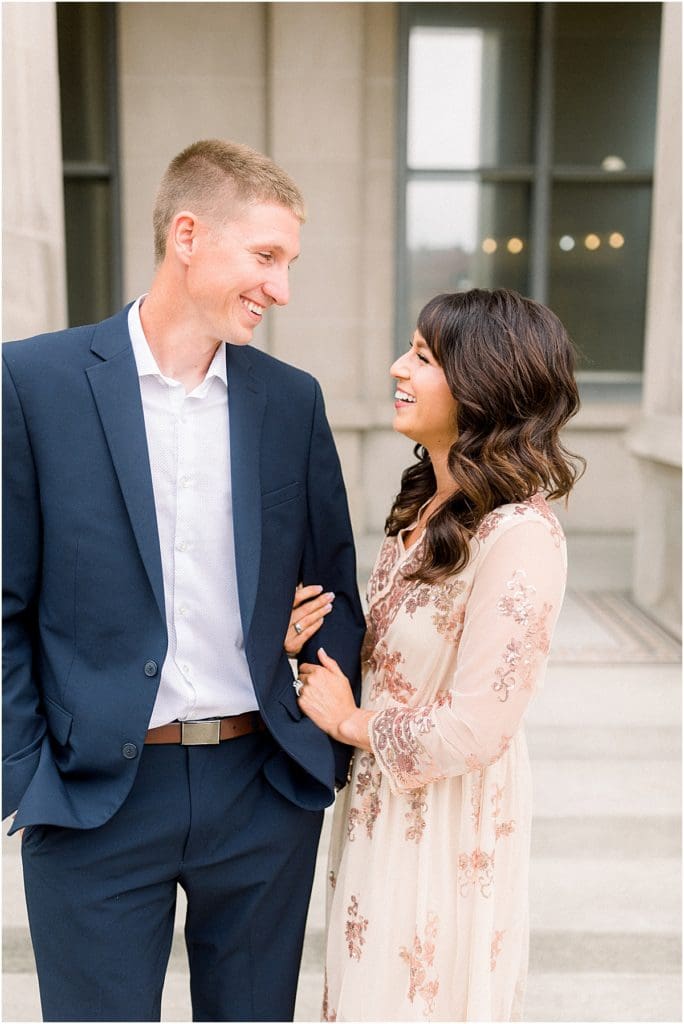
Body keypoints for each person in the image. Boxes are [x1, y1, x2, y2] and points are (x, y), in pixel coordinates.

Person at [3, 138, 366, 1023]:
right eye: (266, 256)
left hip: (260, 790)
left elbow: (333, 590)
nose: (281, 288)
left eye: (288, 263)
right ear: (189, 235)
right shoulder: (33, 382)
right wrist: (25, 771)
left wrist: (317, 748)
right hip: (93, 798)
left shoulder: (291, 400)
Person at [292, 288, 583, 1021]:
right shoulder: (428, 510)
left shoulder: (519, 535)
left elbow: (478, 728)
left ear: (483, 381)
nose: (398, 367)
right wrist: (301, 639)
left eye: (422, 357)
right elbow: (401, 659)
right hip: (380, 807)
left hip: (446, 826)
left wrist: (351, 723)